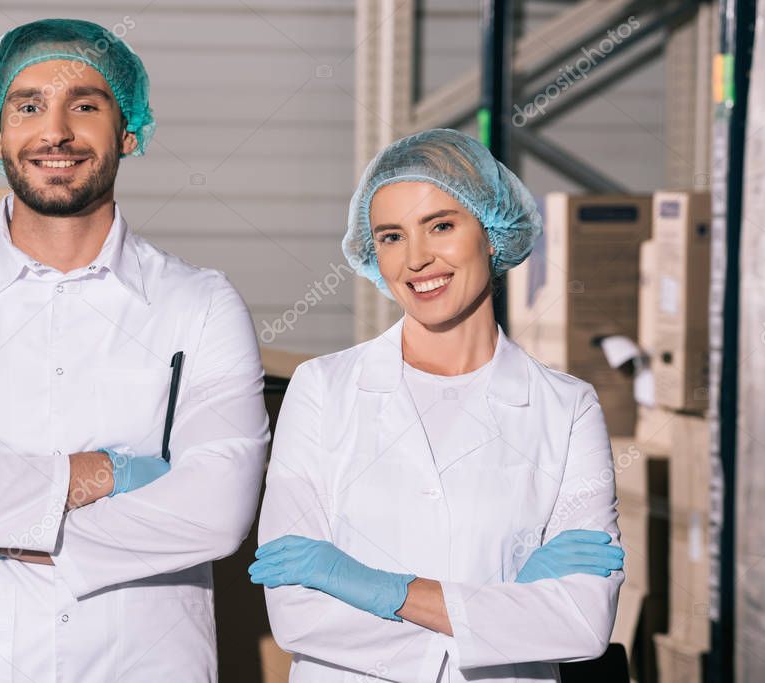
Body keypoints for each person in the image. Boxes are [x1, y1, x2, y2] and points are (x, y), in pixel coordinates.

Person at [0, 18, 269, 682]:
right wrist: (101, 474)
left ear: (127, 130)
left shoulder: (200, 304)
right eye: (29, 104)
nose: (56, 131)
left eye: (86, 105)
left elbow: (215, 516)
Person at [250, 128, 625, 682]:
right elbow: (298, 616)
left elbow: (583, 623)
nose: (417, 259)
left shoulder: (567, 408)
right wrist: (506, 606)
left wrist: (382, 590)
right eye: (391, 237)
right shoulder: (323, 390)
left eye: (441, 226)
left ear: (492, 234)